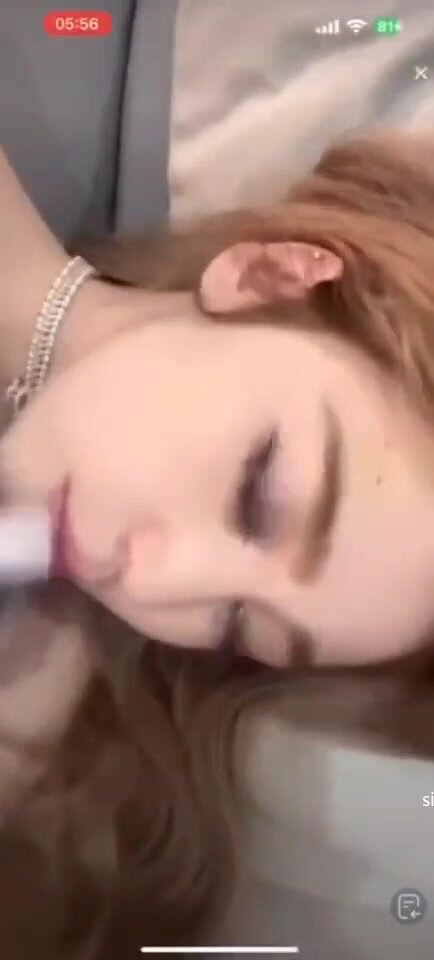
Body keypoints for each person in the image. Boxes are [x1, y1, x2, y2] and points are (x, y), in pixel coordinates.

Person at [1, 130, 434, 957]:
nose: (152, 584)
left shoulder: (47, 722)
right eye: (257, 493)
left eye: (237, 623)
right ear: (266, 277)